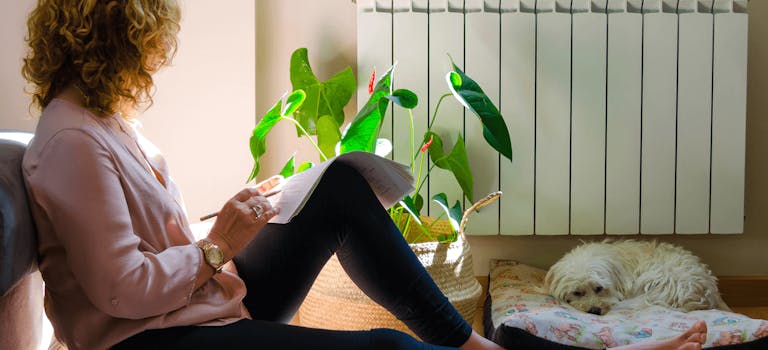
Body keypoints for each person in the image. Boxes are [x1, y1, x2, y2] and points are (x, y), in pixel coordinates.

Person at [20, 1, 708, 349]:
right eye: (150, 38)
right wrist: (217, 244)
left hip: (198, 302)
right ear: (122, 38)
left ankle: (469, 346)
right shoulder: (72, 142)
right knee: (382, 346)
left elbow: (148, 245)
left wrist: (230, 217)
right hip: (160, 340)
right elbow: (120, 292)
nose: (157, 55)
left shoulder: (105, 121)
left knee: (340, 188)